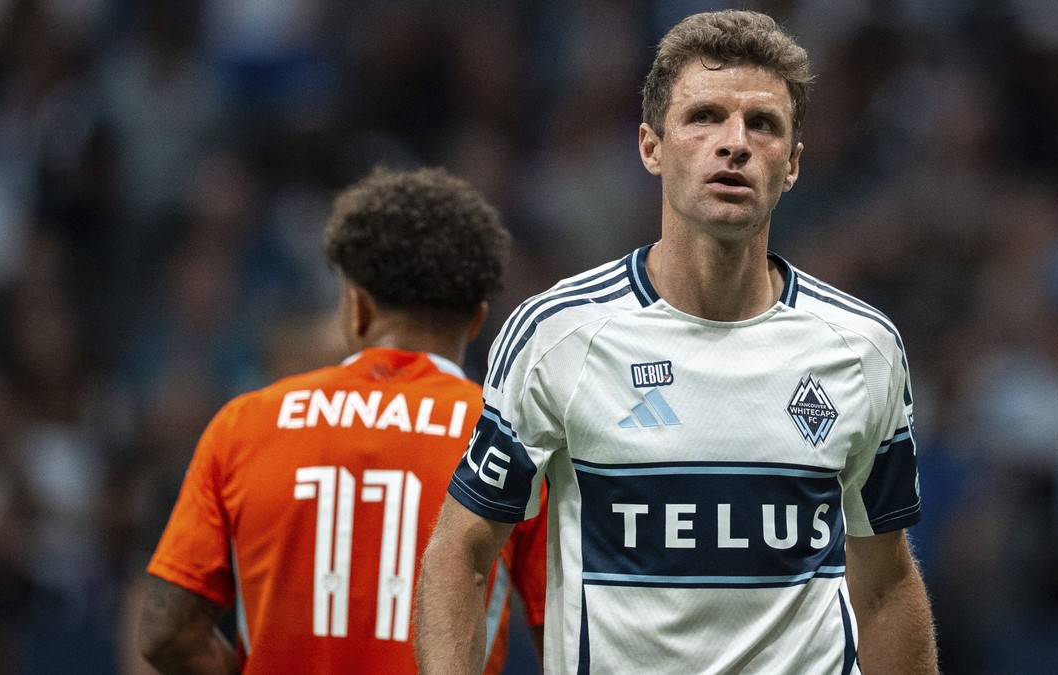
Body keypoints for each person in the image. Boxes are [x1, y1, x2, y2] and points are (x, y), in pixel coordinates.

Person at [416, 10, 937, 675]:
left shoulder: (863, 347)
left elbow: (887, 583)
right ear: (651, 147)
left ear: (794, 164)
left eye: (763, 124)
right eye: (705, 117)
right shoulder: (558, 334)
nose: (734, 144)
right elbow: (460, 549)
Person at [137, 166, 546, 674]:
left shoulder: (244, 425)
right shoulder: (510, 441)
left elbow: (164, 635)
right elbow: (567, 640)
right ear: (478, 319)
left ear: (357, 308)